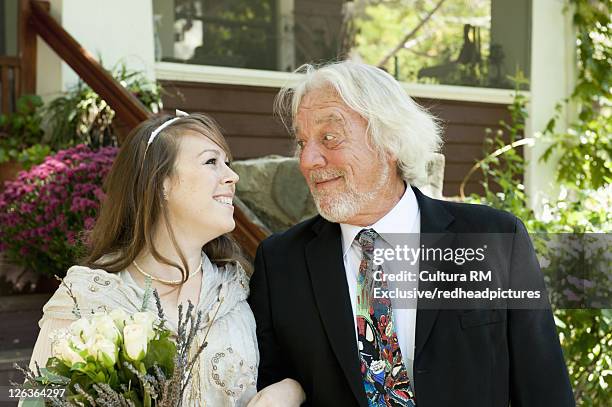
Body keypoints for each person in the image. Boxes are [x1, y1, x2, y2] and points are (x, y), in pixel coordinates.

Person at [248, 61, 575, 406]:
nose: (308, 160)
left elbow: (545, 389)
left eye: (329, 138)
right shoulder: (280, 262)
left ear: (390, 142)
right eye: (302, 143)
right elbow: (269, 385)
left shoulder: (495, 239)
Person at [27, 113, 305, 406]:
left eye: (228, 163)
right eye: (211, 162)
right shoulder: (86, 299)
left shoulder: (238, 292)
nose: (232, 176)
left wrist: (288, 390)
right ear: (160, 182)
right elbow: (35, 398)